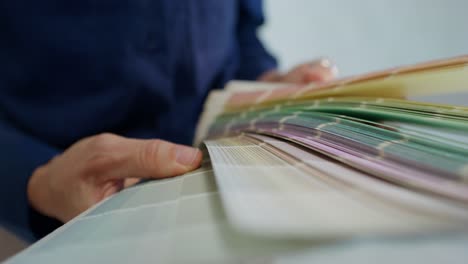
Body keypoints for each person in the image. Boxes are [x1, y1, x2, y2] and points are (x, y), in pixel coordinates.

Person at [0, 0, 336, 241]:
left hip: (221, 198)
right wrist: (37, 179)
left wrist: (263, 82)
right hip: (54, 214)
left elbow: (243, 28)